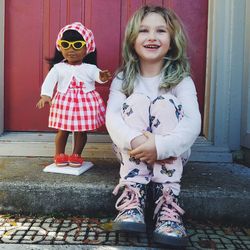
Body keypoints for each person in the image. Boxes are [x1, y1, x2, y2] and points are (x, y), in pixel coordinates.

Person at [106, 5, 201, 247]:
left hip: (172, 154)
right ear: (132, 40)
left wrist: (160, 146)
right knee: (136, 101)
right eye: (143, 31)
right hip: (131, 152)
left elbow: (192, 123)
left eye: (160, 31)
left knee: (166, 102)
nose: (151, 37)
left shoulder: (181, 80)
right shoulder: (122, 78)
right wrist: (140, 143)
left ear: (172, 40)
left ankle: (167, 204)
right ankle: (133, 197)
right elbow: (113, 118)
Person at [37, 22, 111, 167]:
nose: (71, 49)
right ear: (60, 47)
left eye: (77, 45)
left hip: (85, 103)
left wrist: (102, 76)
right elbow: (49, 81)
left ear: (87, 48)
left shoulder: (90, 68)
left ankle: (76, 154)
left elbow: (97, 76)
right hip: (64, 101)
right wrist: (45, 95)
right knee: (62, 130)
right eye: (65, 44)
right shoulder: (58, 68)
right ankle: (59, 154)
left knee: (80, 131)